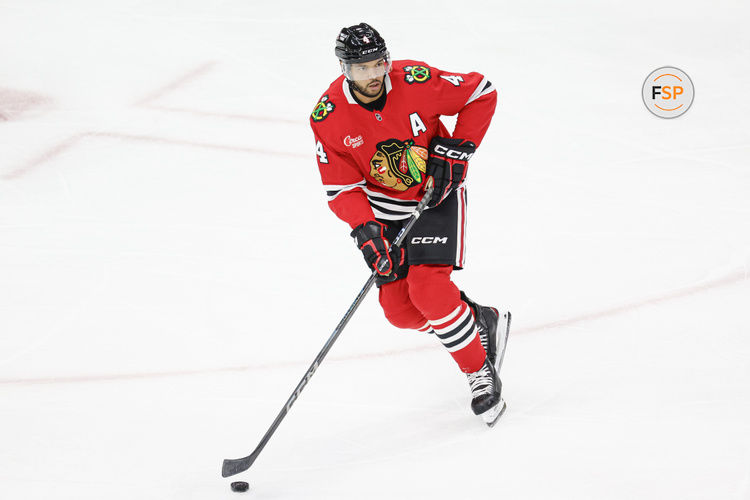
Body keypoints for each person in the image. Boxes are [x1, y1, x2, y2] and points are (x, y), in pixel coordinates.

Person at [309, 22, 511, 426]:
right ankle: (476, 321)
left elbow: (481, 91)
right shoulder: (327, 116)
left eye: (377, 65)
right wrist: (366, 231)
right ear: (343, 69)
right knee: (400, 311)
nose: (371, 75)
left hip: (435, 196)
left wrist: (457, 148)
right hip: (384, 211)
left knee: (429, 290)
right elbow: (341, 189)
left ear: (386, 60)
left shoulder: (416, 80)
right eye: (359, 68)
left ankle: (478, 371)